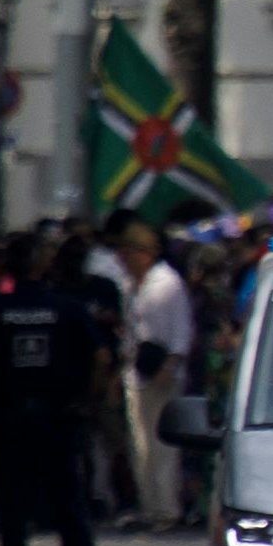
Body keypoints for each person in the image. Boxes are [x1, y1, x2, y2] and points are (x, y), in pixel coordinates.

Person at [0, 237, 112, 546]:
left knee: (13, 523)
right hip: (58, 420)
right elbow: (102, 357)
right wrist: (87, 401)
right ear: (40, 265)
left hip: (9, 421)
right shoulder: (67, 307)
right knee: (71, 517)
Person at [118, 223, 194, 528]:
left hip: (162, 370)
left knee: (162, 445)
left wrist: (170, 366)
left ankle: (167, 508)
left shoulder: (167, 284)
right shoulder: (131, 286)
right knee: (141, 443)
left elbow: (182, 330)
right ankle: (149, 505)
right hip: (137, 369)